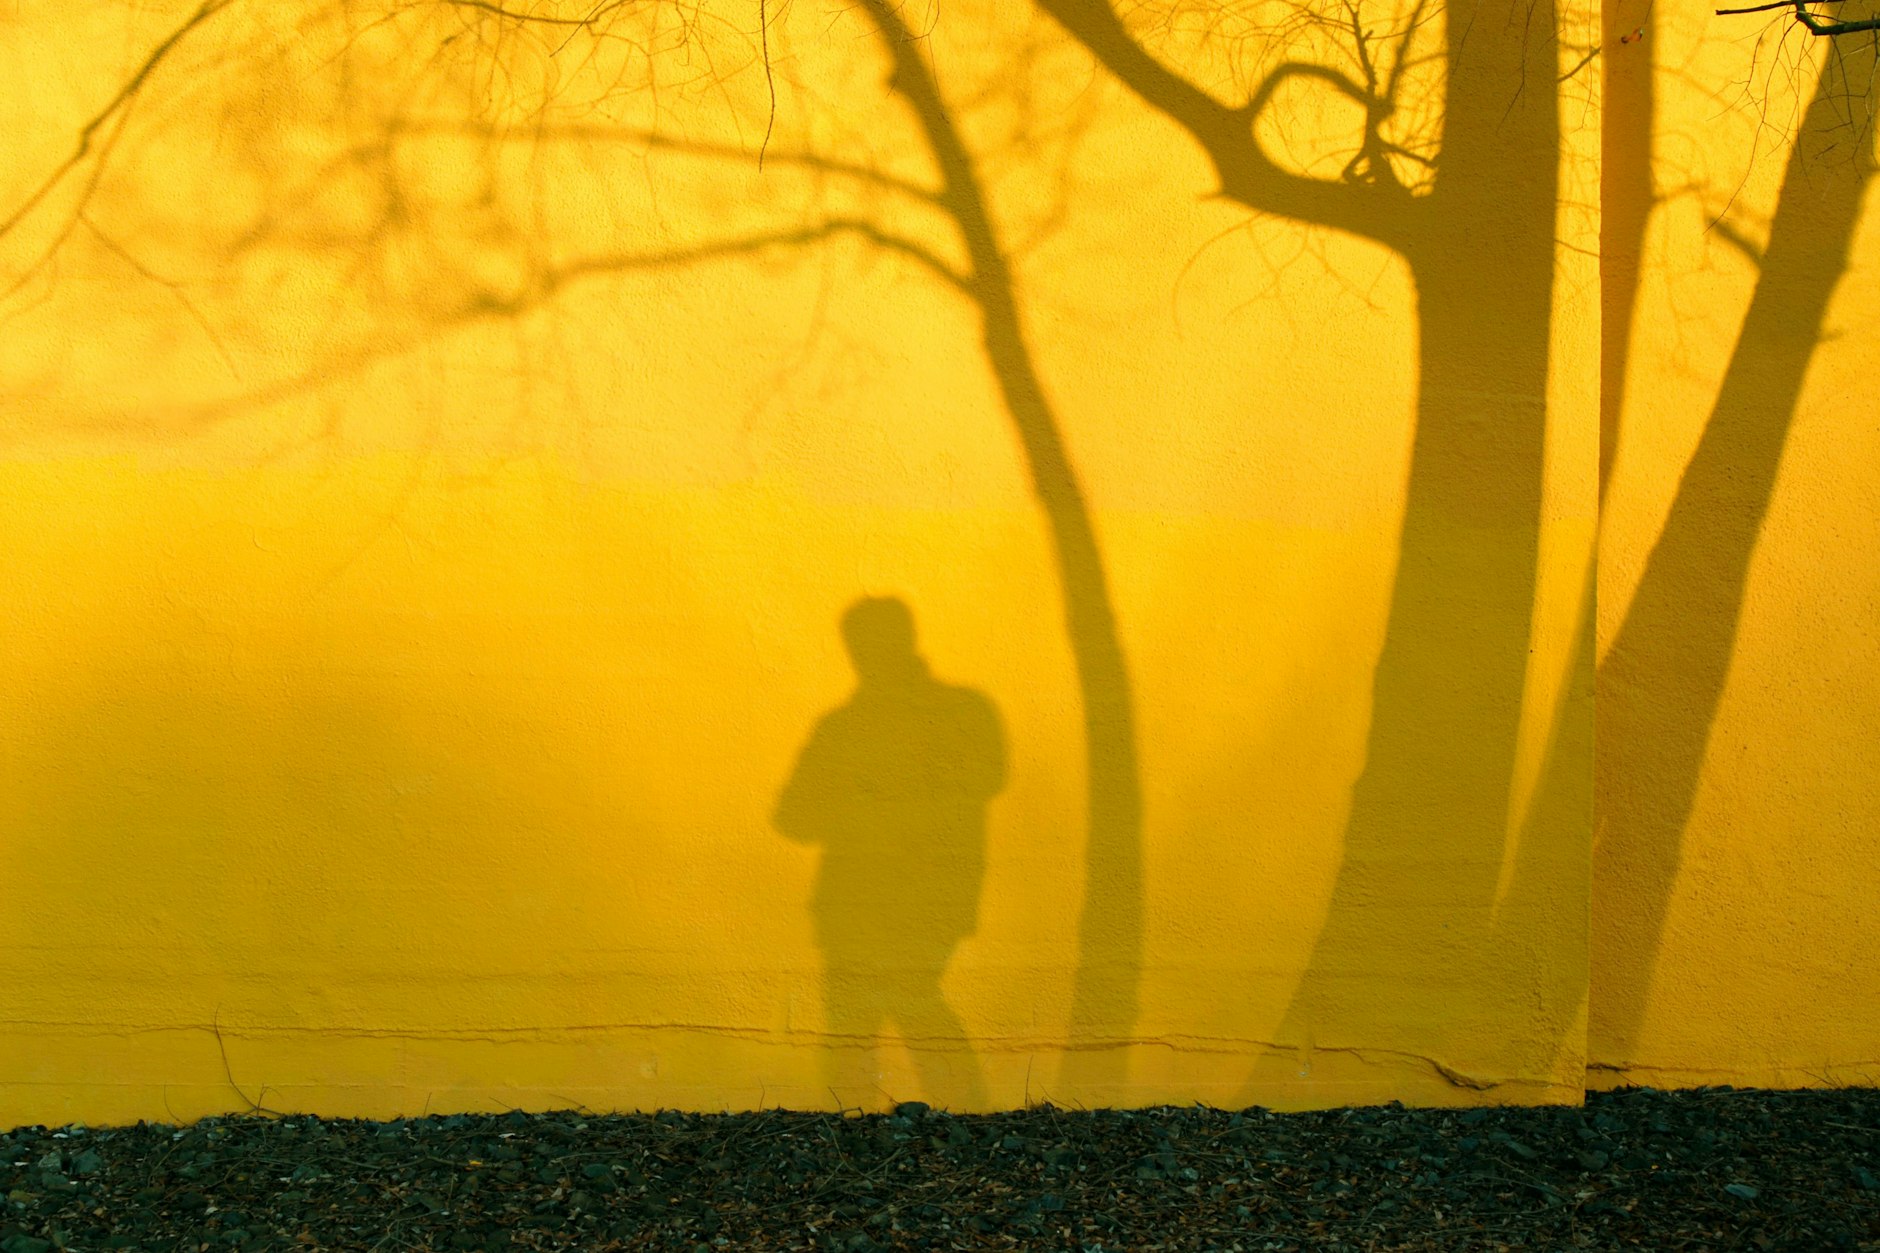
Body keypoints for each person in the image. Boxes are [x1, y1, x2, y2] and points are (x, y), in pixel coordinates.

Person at [774, 597, 1005, 1108]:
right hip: (861, 898)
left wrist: (867, 795)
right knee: (864, 1014)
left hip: (919, 894)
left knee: (904, 997)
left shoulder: (951, 711)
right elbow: (792, 817)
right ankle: (909, 1119)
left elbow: (985, 778)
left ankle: (958, 1112)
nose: (865, 653)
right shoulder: (849, 725)